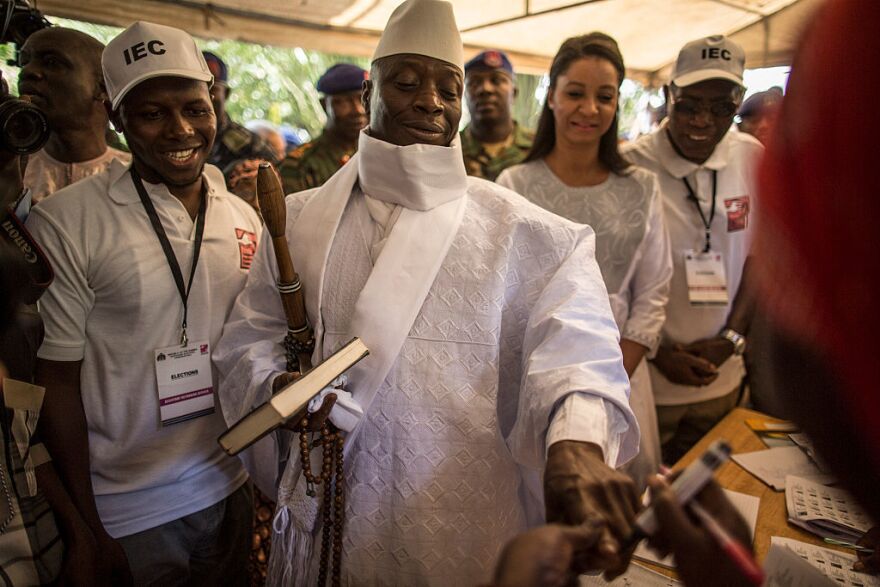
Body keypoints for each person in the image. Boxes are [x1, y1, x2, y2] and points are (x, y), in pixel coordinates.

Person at [215, 1, 642, 584]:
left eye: (449, 87)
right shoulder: (296, 220)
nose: (430, 100)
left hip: (461, 526)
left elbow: (580, 352)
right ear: (370, 92)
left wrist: (579, 443)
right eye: (408, 82)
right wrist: (275, 388)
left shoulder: (532, 236)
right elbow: (250, 339)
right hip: (328, 514)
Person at [26, 21, 262, 585]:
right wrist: (87, 527)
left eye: (193, 108)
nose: (180, 129)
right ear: (117, 118)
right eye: (152, 113)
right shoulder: (67, 221)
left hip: (229, 481)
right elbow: (55, 381)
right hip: (129, 510)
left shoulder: (240, 215)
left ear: (214, 103)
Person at [498, 32, 671, 491]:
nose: (589, 109)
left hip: (624, 369)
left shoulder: (642, 187)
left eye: (605, 97)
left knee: (615, 506)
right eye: (575, 93)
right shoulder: (514, 184)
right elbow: (506, 292)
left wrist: (608, 375)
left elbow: (652, 293)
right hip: (535, 370)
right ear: (552, 96)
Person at [624, 35, 760, 465]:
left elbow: (762, 258)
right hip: (647, 383)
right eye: (689, 104)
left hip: (722, 379)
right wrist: (657, 351)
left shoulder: (752, 157)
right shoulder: (629, 166)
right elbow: (609, 278)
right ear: (669, 96)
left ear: (738, 102)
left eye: (721, 107)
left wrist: (732, 340)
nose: (702, 120)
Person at [17, 27, 130, 203]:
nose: (27, 72)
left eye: (52, 62)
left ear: (102, 87)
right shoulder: (10, 169)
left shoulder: (137, 178)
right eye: (24, 62)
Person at [278, 63, 368, 194]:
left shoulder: (381, 154)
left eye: (363, 99)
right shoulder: (299, 165)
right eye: (344, 102)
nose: (358, 110)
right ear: (325, 105)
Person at [203, 51, 279, 191]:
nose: (202, 98)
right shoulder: (175, 138)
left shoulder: (251, 146)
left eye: (210, 89)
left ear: (225, 94)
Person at [460, 49, 533, 181]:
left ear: (514, 93)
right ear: (464, 95)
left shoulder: (539, 147)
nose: (485, 89)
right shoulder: (449, 149)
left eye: (496, 80)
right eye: (475, 82)